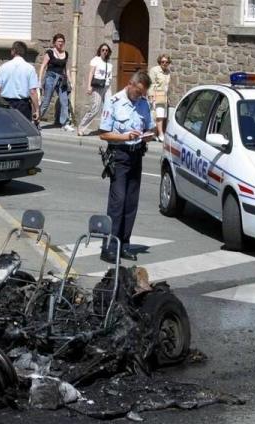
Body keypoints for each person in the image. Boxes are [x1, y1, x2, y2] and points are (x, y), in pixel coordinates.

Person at [99, 71, 155, 263]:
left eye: (142, 93)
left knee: (131, 203)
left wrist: (149, 134)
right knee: (118, 202)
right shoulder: (114, 101)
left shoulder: (143, 103)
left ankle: (124, 245)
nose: (140, 96)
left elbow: (151, 127)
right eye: (138, 92)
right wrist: (125, 137)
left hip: (137, 154)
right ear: (130, 84)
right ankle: (109, 247)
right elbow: (104, 134)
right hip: (120, 155)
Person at [0, 41, 40, 123]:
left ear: (13, 51)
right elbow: (32, 92)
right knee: (23, 130)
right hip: (23, 105)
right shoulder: (30, 68)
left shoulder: (4, 67)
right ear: (24, 52)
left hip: (6, 104)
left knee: (6, 129)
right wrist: (37, 110)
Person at [38, 33, 75, 131]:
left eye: (62, 41)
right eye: (59, 41)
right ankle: (36, 121)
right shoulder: (49, 52)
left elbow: (66, 69)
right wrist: (39, 80)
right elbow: (43, 66)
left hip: (62, 79)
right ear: (54, 43)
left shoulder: (66, 54)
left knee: (64, 101)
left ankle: (65, 123)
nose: (61, 43)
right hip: (50, 77)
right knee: (46, 101)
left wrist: (70, 81)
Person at [77, 43, 113, 136]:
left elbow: (109, 76)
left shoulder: (109, 63)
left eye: (106, 50)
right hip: (97, 86)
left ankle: (105, 128)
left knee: (108, 108)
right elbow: (91, 73)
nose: (104, 52)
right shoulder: (95, 60)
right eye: (103, 50)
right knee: (95, 108)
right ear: (100, 51)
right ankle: (81, 127)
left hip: (107, 87)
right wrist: (89, 86)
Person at [149, 54, 172, 142]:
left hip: (164, 96)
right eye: (163, 62)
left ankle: (154, 134)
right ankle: (161, 134)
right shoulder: (154, 70)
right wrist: (150, 96)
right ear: (160, 62)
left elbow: (167, 86)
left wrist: (168, 97)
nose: (164, 63)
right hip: (156, 95)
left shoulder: (168, 72)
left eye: (166, 62)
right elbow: (151, 84)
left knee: (159, 116)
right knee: (159, 116)